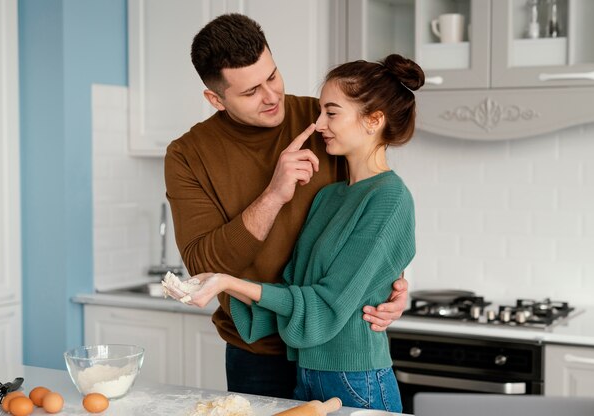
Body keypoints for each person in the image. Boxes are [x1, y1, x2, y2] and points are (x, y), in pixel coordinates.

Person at [164, 13, 410, 399]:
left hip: (338, 349)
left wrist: (385, 284)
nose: (272, 96)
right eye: (250, 92)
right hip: (257, 348)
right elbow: (203, 266)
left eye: (273, 76)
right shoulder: (187, 155)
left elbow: (377, 212)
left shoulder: (324, 122)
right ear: (216, 99)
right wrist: (274, 194)